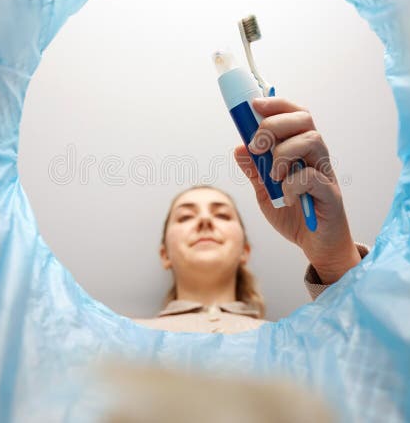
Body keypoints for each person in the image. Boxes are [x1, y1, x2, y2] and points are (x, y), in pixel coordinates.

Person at [134, 96, 369, 333]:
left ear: (244, 251)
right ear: (164, 254)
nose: (205, 221)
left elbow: (377, 359)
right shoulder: (115, 337)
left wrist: (335, 258)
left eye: (223, 216)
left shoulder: (301, 340)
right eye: (185, 217)